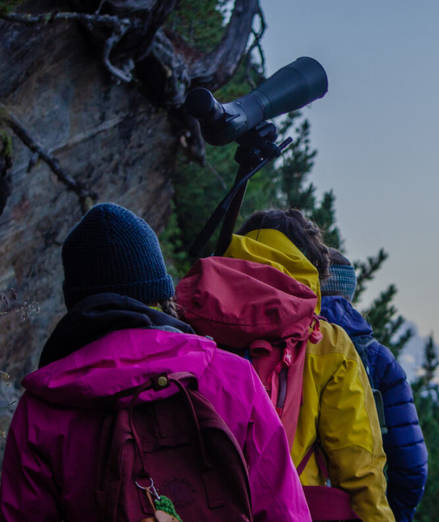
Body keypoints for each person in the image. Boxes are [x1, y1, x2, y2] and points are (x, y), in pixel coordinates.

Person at [0, 203, 310, 522]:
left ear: (76, 301)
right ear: (161, 292)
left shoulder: (43, 407)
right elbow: (282, 509)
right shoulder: (233, 377)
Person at [175, 208, 395, 521]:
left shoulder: (188, 314)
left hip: (192, 504)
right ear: (310, 265)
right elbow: (359, 465)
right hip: (288, 509)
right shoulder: (326, 342)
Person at [320, 248, 428, 522]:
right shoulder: (376, 357)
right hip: (355, 508)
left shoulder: (285, 339)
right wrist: (395, 514)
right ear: (350, 294)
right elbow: (411, 463)